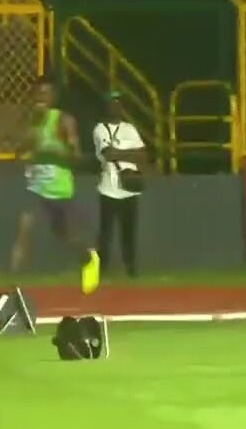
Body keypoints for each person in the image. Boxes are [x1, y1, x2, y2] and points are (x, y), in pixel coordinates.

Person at [10, 77, 101, 294]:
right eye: (38, 93)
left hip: (59, 186)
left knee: (66, 235)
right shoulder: (33, 121)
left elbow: (76, 155)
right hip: (35, 186)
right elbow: (20, 150)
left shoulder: (63, 120)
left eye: (45, 93)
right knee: (24, 229)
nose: (41, 98)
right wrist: (24, 148)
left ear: (53, 97)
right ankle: (13, 284)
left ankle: (89, 257)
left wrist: (57, 149)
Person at [92, 91, 151, 278]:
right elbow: (108, 154)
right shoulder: (100, 129)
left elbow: (143, 155)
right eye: (111, 103)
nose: (115, 107)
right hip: (108, 188)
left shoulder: (129, 128)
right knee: (105, 233)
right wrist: (131, 154)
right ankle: (101, 270)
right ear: (106, 107)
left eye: (118, 103)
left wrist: (120, 153)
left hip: (129, 188)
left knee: (129, 232)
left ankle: (131, 269)